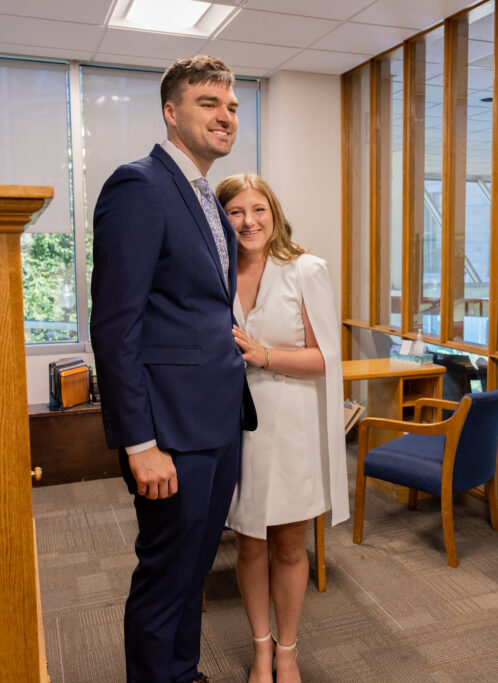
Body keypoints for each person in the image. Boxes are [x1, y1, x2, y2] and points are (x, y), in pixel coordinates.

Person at [90, 55, 256, 683]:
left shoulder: (209, 200)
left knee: (192, 575)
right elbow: (115, 326)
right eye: (209, 103)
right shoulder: (139, 186)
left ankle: (183, 675)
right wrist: (139, 443)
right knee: (165, 579)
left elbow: (196, 306)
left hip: (216, 423)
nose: (225, 116)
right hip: (169, 435)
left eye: (233, 106)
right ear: (171, 111)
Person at [215, 174, 349, 683]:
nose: (248, 222)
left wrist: (264, 355)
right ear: (222, 220)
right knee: (249, 541)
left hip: (290, 421)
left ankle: (288, 650)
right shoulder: (217, 273)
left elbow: (325, 360)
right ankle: (261, 649)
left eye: (258, 210)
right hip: (235, 424)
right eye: (235, 212)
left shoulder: (305, 270)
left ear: (274, 213)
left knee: (289, 543)